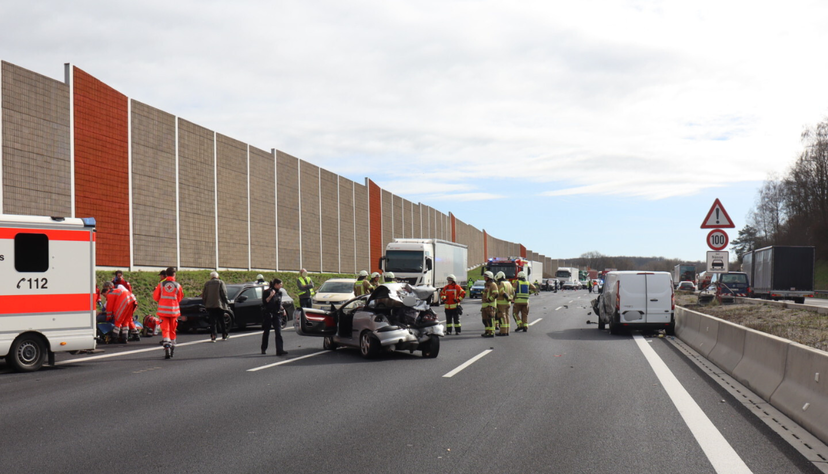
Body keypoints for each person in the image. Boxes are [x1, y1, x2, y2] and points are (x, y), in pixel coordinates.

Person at [154, 266, 184, 359]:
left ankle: (167, 345)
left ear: (166, 275)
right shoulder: (178, 285)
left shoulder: (161, 285)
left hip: (163, 312)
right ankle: (173, 346)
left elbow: (155, 297)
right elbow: (180, 298)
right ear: (174, 274)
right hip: (174, 312)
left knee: (165, 330)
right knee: (172, 330)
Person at [261, 278, 288, 356]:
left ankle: (280, 350)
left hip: (277, 314)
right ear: (276, 284)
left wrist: (283, 309)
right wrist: (270, 296)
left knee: (278, 332)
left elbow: (278, 303)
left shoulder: (279, 293)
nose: (281, 285)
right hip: (268, 314)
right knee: (266, 332)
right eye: (280, 284)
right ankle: (263, 348)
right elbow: (265, 302)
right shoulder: (267, 292)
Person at [203, 271, 230, 342]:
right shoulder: (220, 282)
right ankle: (224, 335)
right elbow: (224, 293)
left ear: (211, 277)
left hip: (210, 306)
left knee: (213, 322)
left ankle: (213, 336)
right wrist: (226, 302)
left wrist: (205, 303)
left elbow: (204, 295)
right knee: (222, 320)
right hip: (219, 305)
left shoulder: (207, 284)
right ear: (217, 276)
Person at [496, 272, 514, 336]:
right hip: (508, 303)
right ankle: (507, 331)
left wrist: (507, 297)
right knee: (507, 316)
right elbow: (512, 292)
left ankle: (503, 331)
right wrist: (510, 298)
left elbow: (501, 292)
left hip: (501, 303)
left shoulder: (501, 283)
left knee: (502, 317)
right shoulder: (509, 283)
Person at [480, 271, 498, 337]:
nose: (484, 278)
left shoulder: (493, 284)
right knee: (484, 320)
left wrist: (489, 299)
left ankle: (491, 332)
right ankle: (487, 331)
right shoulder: (486, 284)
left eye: (486, 277)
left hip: (490, 305)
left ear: (489, 277)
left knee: (490, 319)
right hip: (485, 305)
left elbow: (495, 294)